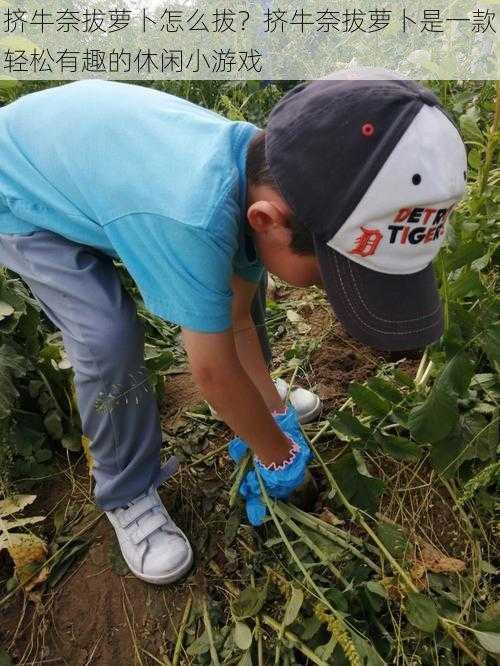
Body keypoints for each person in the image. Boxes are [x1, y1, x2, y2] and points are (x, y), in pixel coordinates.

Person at [0, 70, 467, 584]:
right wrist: (276, 453)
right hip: (22, 188)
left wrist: (271, 415)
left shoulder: (267, 174)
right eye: (331, 274)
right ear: (267, 219)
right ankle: (127, 491)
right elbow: (213, 372)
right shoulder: (193, 216)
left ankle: (264, 399)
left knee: (239, 296)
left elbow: (237, 319)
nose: (324, 291)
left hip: (91, 163)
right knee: (107, 336)